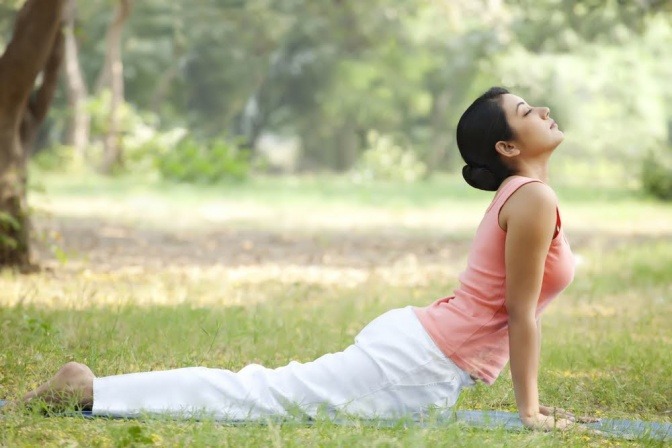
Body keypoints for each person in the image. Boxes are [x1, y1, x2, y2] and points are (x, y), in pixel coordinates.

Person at [9, 87, 591, 431]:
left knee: (263, 391)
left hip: (423, 351)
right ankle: (90, 391)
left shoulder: (526, 197)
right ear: (508, 147)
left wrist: (533, 405)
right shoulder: (533, 197)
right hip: (420, 361)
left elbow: (520, 313)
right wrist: (528, 413)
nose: (542, 110)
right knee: (259, 398)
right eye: (526, 110)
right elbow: (520, 316)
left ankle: (95, 389)